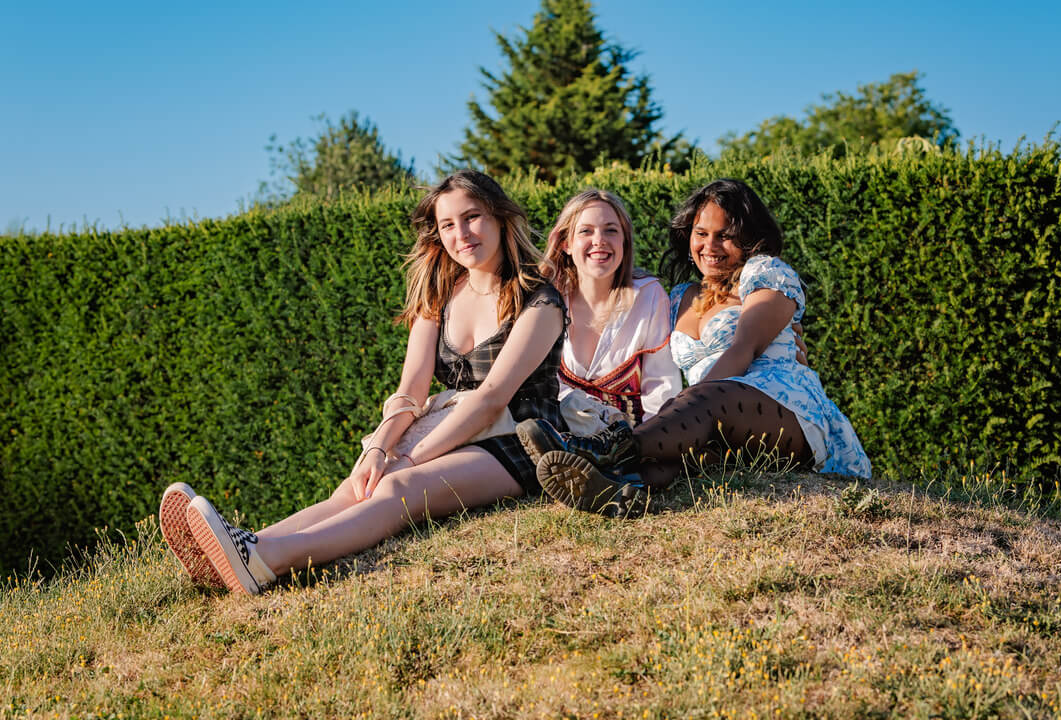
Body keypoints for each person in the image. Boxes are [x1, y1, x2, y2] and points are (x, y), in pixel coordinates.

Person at [159, 170, 569, 594]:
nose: (461, 234)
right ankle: (245, 547)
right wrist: (378, 447)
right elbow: (411, 391)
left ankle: (269, 560)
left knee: (400, 486)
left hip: (519, 438)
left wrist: (411, 458)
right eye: (448, 225)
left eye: (472, 217)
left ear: (501, 218)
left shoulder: (539, 300)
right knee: (357, 487)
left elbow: (490, 398)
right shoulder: (440, 296)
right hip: (454, 427)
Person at [517, 178, 871, 516]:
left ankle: (597, 452)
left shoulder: (766, 273)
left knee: (710, 401)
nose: (711, 246)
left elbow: (742, 350)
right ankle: (615, 490)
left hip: (784, 410)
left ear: (749, 239)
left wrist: (685, 408)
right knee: (681, 452)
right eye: (701, 234)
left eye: (726, 236)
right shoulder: (676, 299)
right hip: (715, 425)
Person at [540, 189, 681, 427]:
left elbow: (662, 388)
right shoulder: (545, 298)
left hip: (633, 441)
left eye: (611, 230)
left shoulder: (649, 295)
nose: (599, 240)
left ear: (624, 241)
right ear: (566, 243)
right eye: (586, 231)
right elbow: (538, 385)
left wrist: (646, 445)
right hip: (558, 437)